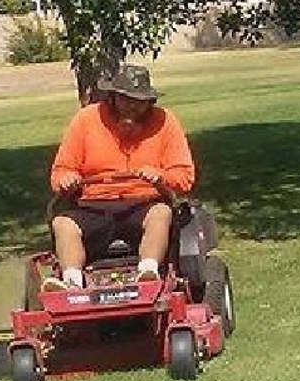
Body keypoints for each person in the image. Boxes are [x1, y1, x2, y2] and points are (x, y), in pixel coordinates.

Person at [46, 63, 195, 291]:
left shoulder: (166, 122)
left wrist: (161, 177)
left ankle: (148, 272)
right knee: (63, 223)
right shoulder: (86, 120)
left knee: (161, 213)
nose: (132, 108)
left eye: (139, 102)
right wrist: (66, 178)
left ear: (149, 102)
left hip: (145, 203)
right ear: (113, 97)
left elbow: (185, 176)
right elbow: (60, 172)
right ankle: (71, 283)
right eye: (125, 100)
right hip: (92, 205)